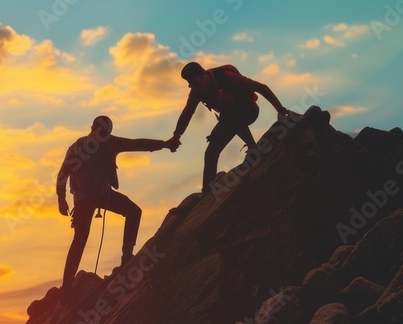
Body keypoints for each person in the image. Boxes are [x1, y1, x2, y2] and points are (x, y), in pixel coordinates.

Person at [57, 116, 173, 292]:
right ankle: (66, 289)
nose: (103, 137)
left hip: (103, 194)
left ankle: (127, 258)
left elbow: (136, 144)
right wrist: (61, 198)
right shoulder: (77, 148)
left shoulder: (111, 143)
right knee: (80, 238)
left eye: (107, 134)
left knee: (134, 212)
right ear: (92, 129)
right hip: (83, 199)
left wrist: (164, 144)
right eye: (101, 133)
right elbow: (63, 174)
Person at [166, 62, 290, 211]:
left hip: (248, 110)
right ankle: (205, 193)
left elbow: (261, 88)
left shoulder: (226, 77)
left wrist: (281, 110)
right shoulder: (197, 91)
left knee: (230, 112)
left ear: (200, 77)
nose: (190, 86)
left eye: (191, 82)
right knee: (211, 152)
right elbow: (187, 113)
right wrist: (176, 136)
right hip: (229, 118)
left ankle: (253, 148)